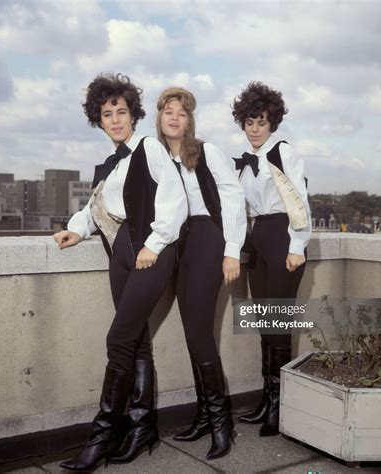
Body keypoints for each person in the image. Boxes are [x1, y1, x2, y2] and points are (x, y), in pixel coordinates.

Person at [54, 73, 187, 471]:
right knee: (137, 342)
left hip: (149, 251)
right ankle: (142, 426)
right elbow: (96, 208)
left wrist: (154, 244)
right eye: (106, 113)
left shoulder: (149, 147)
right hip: (120, 254)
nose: (114, 119)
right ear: (99, 119)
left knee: (118, 339)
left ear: (134, 115)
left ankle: (101, 437)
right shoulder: (110, 164)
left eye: (121, 111)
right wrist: (75, 230)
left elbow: (175, 200)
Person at [156, 87, 246, 459]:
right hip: (180, 243)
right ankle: (204, 417)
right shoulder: (158, 158)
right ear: (159, 118)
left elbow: (232, 197)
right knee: (194, 333)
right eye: (168, 112)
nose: (175, 118)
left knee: (198, 330)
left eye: (182, 113)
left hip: (209, 237)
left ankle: (220, 422)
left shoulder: (207, 152)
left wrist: (231, 251)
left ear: (190, 120)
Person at [231, 82, 311, 436]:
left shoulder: (282, 152)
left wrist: (297, 245)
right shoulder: (245, 161)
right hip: (258, 237)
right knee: (263, 322)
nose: (254, 128)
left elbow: (300, 201)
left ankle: (282, 406)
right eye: (249, 121)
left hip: (282, 236)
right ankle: (267, 399)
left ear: (272, 123)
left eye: (261, 122)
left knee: (278, 322)